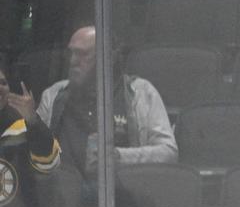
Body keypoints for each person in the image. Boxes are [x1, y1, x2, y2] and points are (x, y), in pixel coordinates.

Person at [35, 26, 177, 182]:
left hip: (122, 195)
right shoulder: (53, 95)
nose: (73, 61)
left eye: (83, 54)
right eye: (71, 53)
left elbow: (168, 153)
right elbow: (33, 155)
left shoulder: (141, 93)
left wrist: (116, 157)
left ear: (109, 57)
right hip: (64, 198)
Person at [1, 65, 61, 207]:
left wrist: (33, 121)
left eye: (3, 82)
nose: (0, 88)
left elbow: (49, 164)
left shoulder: (24, 126)